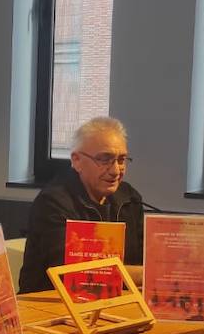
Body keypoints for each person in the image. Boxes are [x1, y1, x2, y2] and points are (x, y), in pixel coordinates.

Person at [17, 116, 144, 294]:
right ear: (76, 161)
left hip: (116, 303)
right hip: (51, 308)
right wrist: (147, 275)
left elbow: (146, 258)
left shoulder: (129, 198)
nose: (115, 170)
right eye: (104, 159)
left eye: (121, 160)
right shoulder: (53, 203)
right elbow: (73, 274)